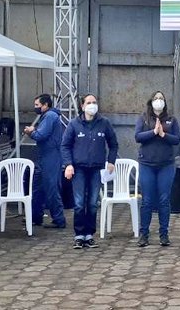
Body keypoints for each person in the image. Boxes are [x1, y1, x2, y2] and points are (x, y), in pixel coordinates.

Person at [62, 94, 119, 249]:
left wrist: (111, 161)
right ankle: (79, 235)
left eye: (94, 102)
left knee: (93, 203)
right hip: (78, 168)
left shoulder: (104, 123)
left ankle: (89, 235)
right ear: (82, 106)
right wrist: (68, 164)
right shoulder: (74, 124)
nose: (92, 105)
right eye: (89, 102)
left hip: (97, 168)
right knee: (79, 203)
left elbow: (113, 144)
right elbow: (65, 145)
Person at [134, 91, 180, 247]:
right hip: (147, 164)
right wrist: (153, 132)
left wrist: (163, 134)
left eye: (162, 98)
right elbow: (138, 137)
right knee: (147, 201)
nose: (159, 101)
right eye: (156, 98)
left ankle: (164, 234)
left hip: (166, 165)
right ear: (151, 101)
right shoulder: (143, 118)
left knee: (164, 200)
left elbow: (177, 140)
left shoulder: (171, 120)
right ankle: (144, 234)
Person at [24, 94, 67, 229]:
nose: (35, 107)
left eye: (37, 105)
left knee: (51, 188)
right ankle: (36, 216)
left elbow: (41, 135)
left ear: (45, 105)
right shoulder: (48, 116)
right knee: (37, 187)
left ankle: (59, 220)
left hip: (51, 156)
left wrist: (31, 132)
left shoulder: (50, 116)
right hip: (45, 156)